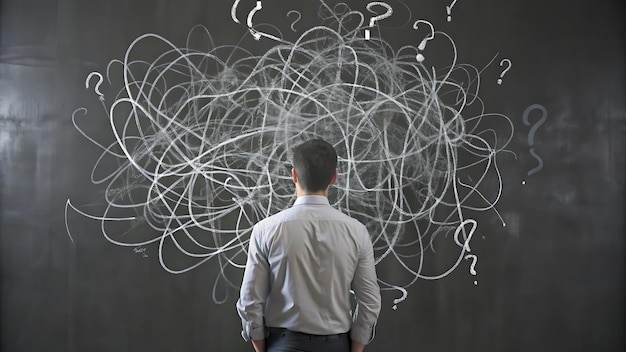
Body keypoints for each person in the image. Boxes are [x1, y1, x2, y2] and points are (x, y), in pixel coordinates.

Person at [236, 138, 381, 352]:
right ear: (334, 178)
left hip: (282, 344)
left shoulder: (265, 230)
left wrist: (261, 347)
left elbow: (250, 301)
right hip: (336, 345)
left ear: (294, 175)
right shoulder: (357, 231)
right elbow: (370, 302)